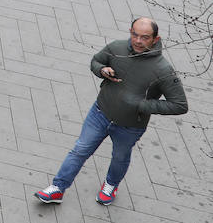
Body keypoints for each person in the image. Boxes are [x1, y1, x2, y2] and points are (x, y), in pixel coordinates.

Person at [35, 18, 188, 205]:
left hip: (130, 126)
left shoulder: (163, 70)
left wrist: (141, 105)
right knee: (79, 151)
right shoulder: (117, 48)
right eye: (135, 35)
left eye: (145, 37)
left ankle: (110, 184)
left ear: (155, 39)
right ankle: (58, 188)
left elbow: (180, 105)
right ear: (130, 31)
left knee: (119, 157)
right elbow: (96, 61)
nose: (138, 41)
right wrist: (101, 70)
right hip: (99, 113)